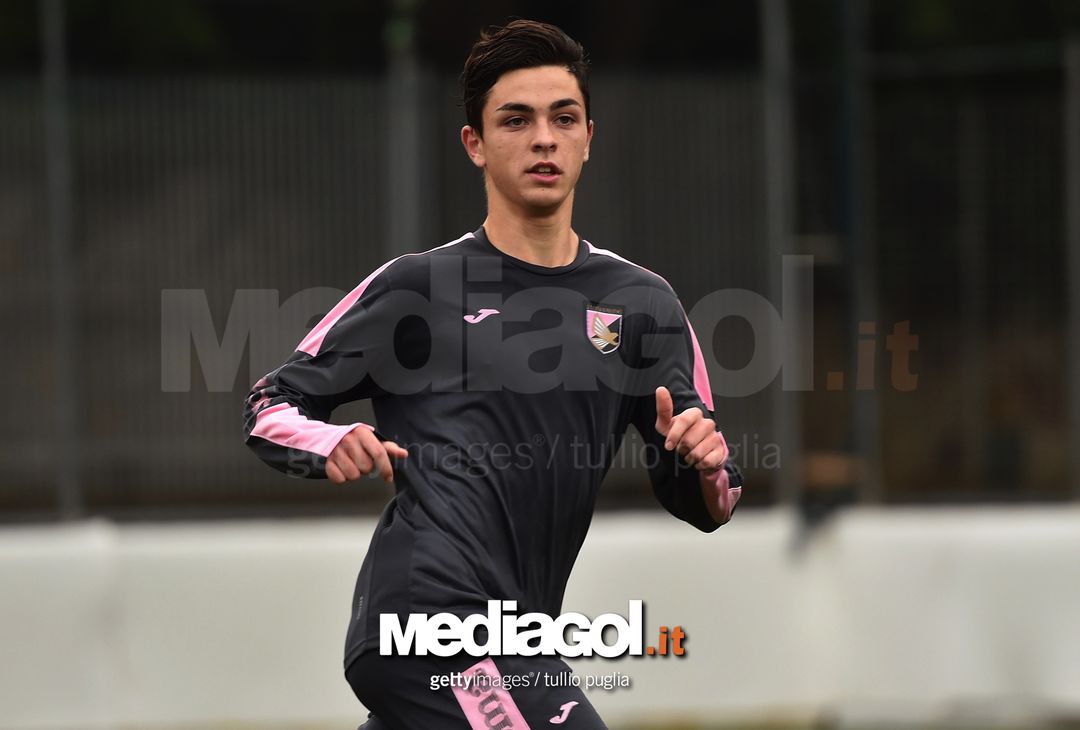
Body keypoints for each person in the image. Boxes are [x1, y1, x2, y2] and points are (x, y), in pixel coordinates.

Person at [244, 18, 742, 730]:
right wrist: (329, 443)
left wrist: (701, 461)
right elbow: (270, 401)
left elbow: (709, 500)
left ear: (588, 139)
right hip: (426, 625)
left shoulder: (643, 304)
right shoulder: (419, 287)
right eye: (517, 120)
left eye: (563, 118)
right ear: (475, 144)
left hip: (518, 641)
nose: (544, 138)